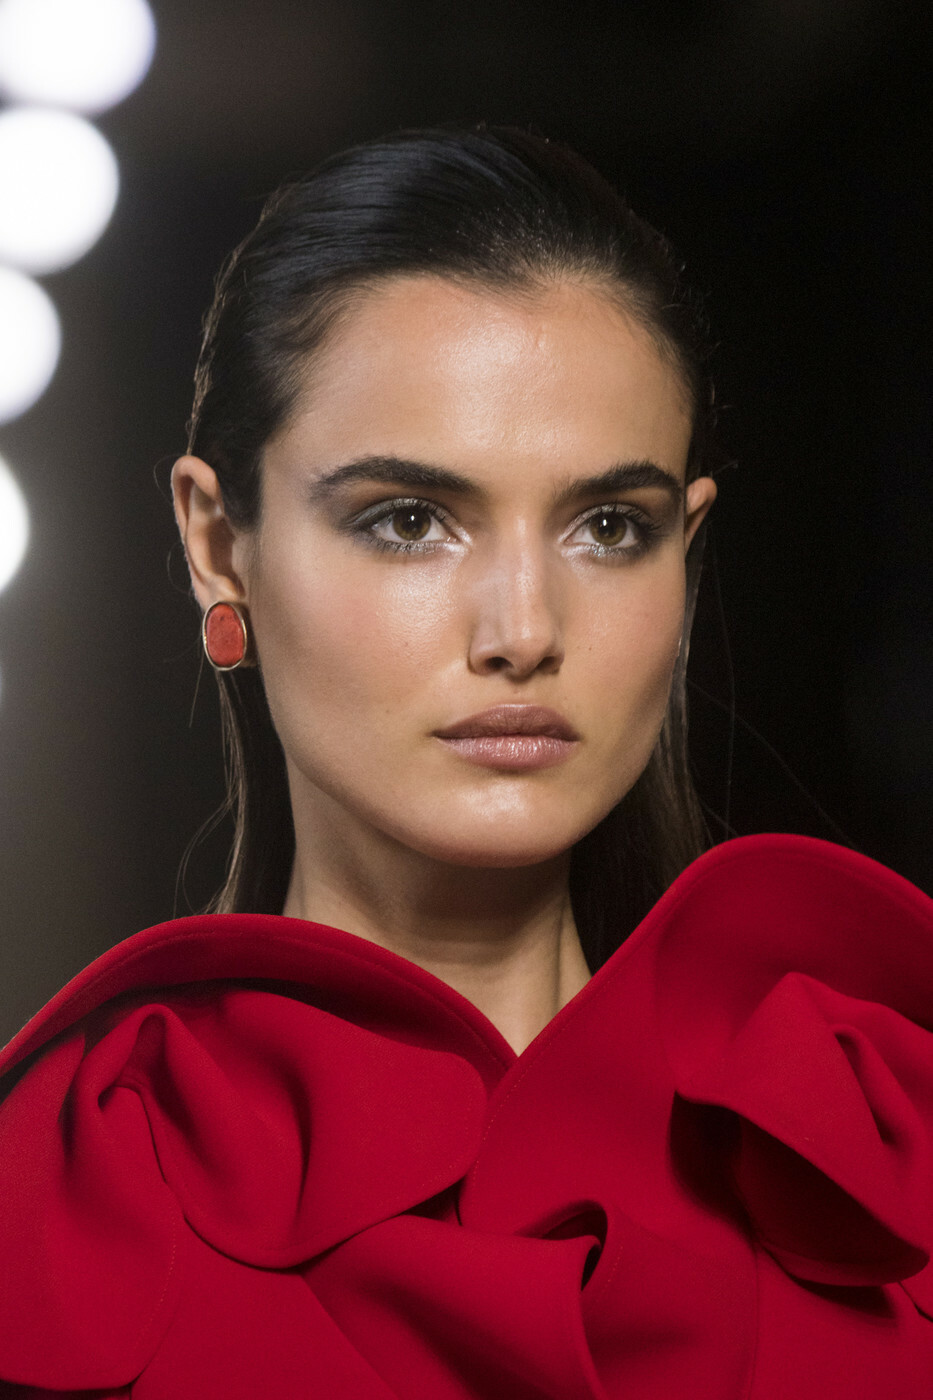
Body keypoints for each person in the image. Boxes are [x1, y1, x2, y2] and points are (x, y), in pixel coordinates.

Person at [1, 124, 932, 1399]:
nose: (524, 630)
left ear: (688, 548)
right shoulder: (55, 1207)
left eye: (611, 527)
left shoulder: (883, 1154)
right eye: (408, 520)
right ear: (220, 544)